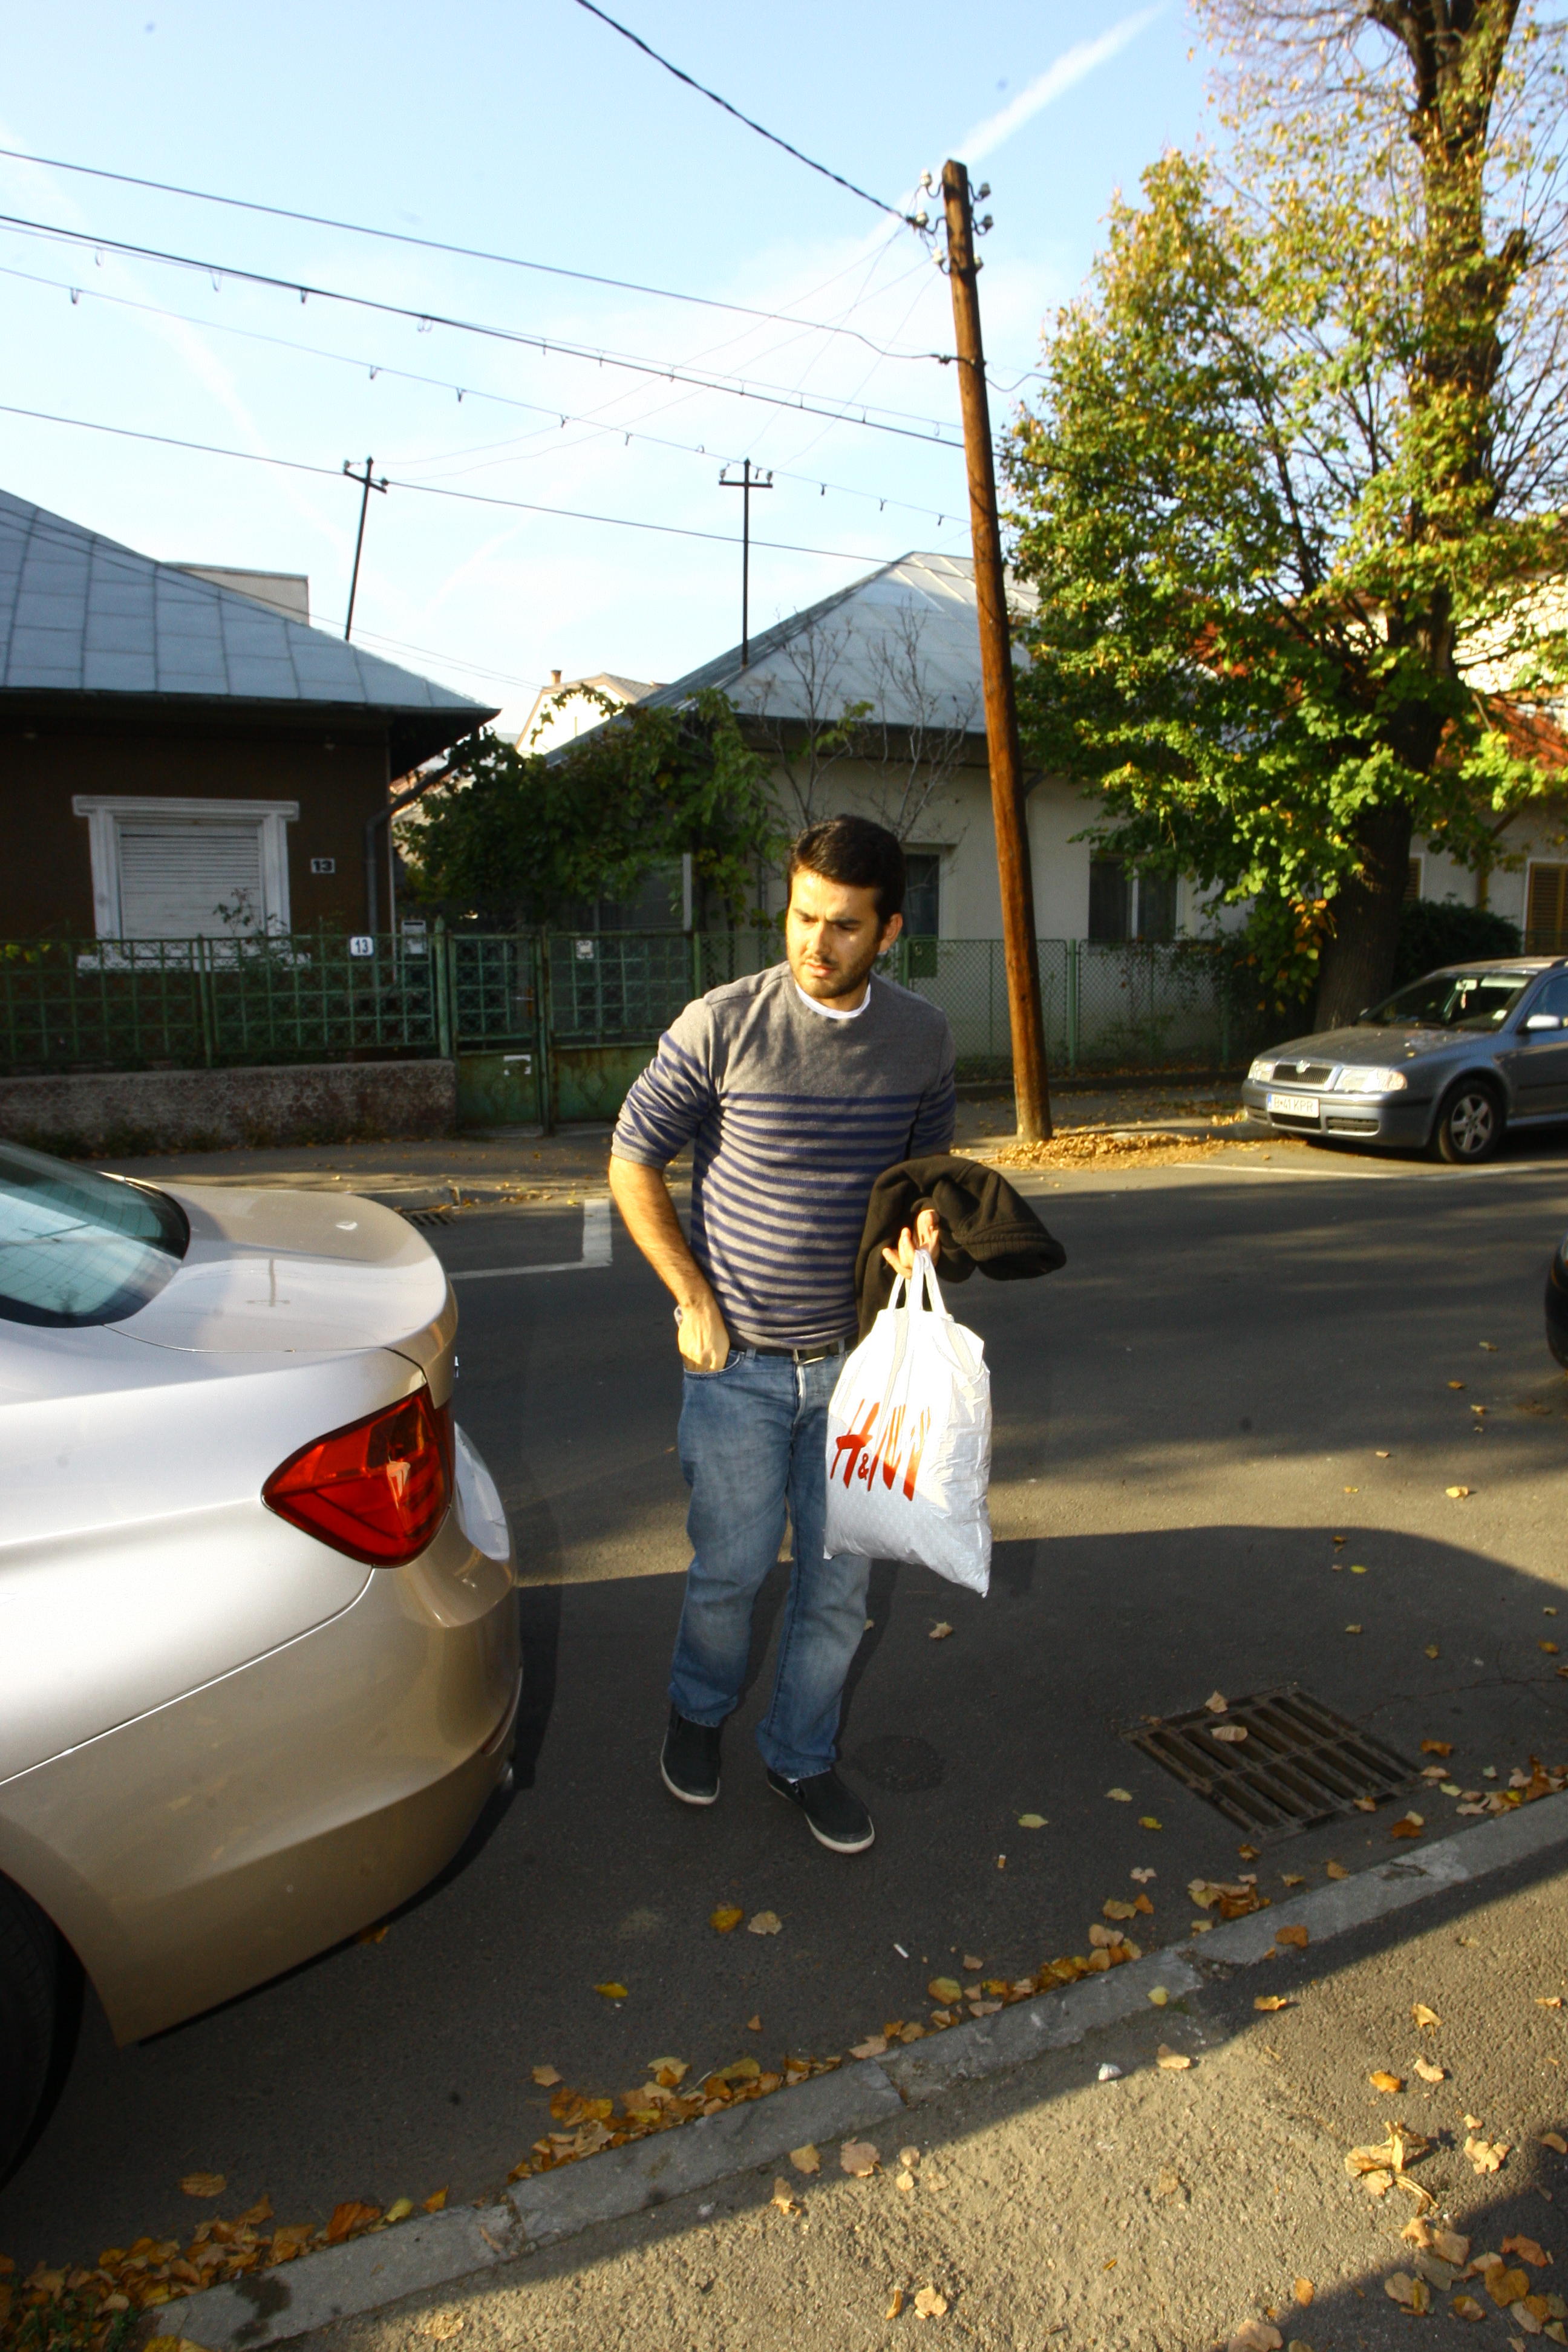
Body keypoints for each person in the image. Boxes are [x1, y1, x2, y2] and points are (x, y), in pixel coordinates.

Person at [608, 815, 956, 1855]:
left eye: (844, 925)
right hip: (738, 1370)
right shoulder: (722, 1023)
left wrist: (919, 1236)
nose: (816, 941)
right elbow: (633, 1159)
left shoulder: (921, 1037)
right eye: (804, 915)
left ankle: (800, 1753)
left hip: (856, 1368)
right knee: (731, 1569)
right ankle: (697, 1712)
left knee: (840, 1585)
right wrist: (690, 1291)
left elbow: (920, 1182)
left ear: (889, 929)